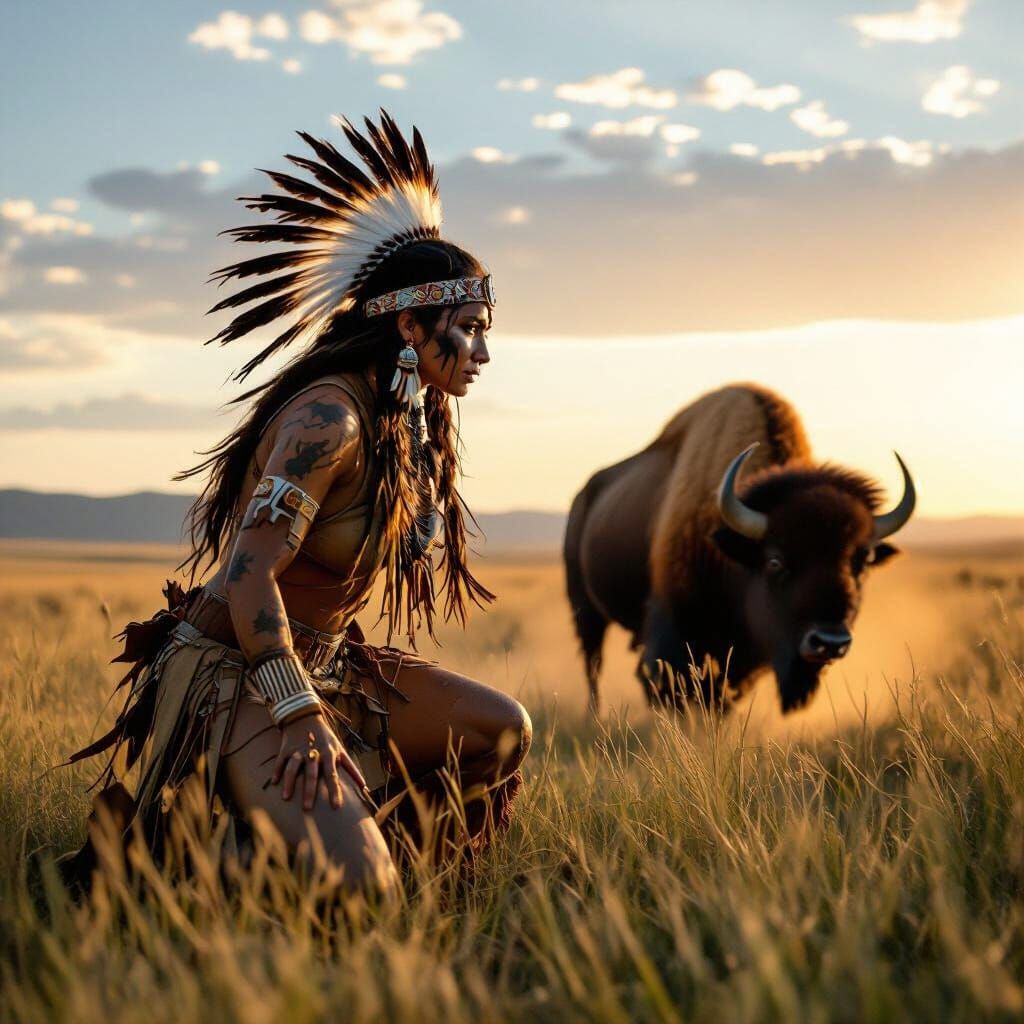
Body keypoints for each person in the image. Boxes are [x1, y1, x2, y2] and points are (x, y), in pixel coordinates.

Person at [64, 111, 532, 896]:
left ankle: (375, 865)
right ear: (409, 323)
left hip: (326, 667)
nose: (483, 352)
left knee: (499, 731)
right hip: (239, 674)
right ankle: (197, 866)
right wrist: (299, 710)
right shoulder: (330, 420)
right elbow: (248, 578)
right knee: (358, 887)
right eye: (468, 328)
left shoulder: (401, 412)